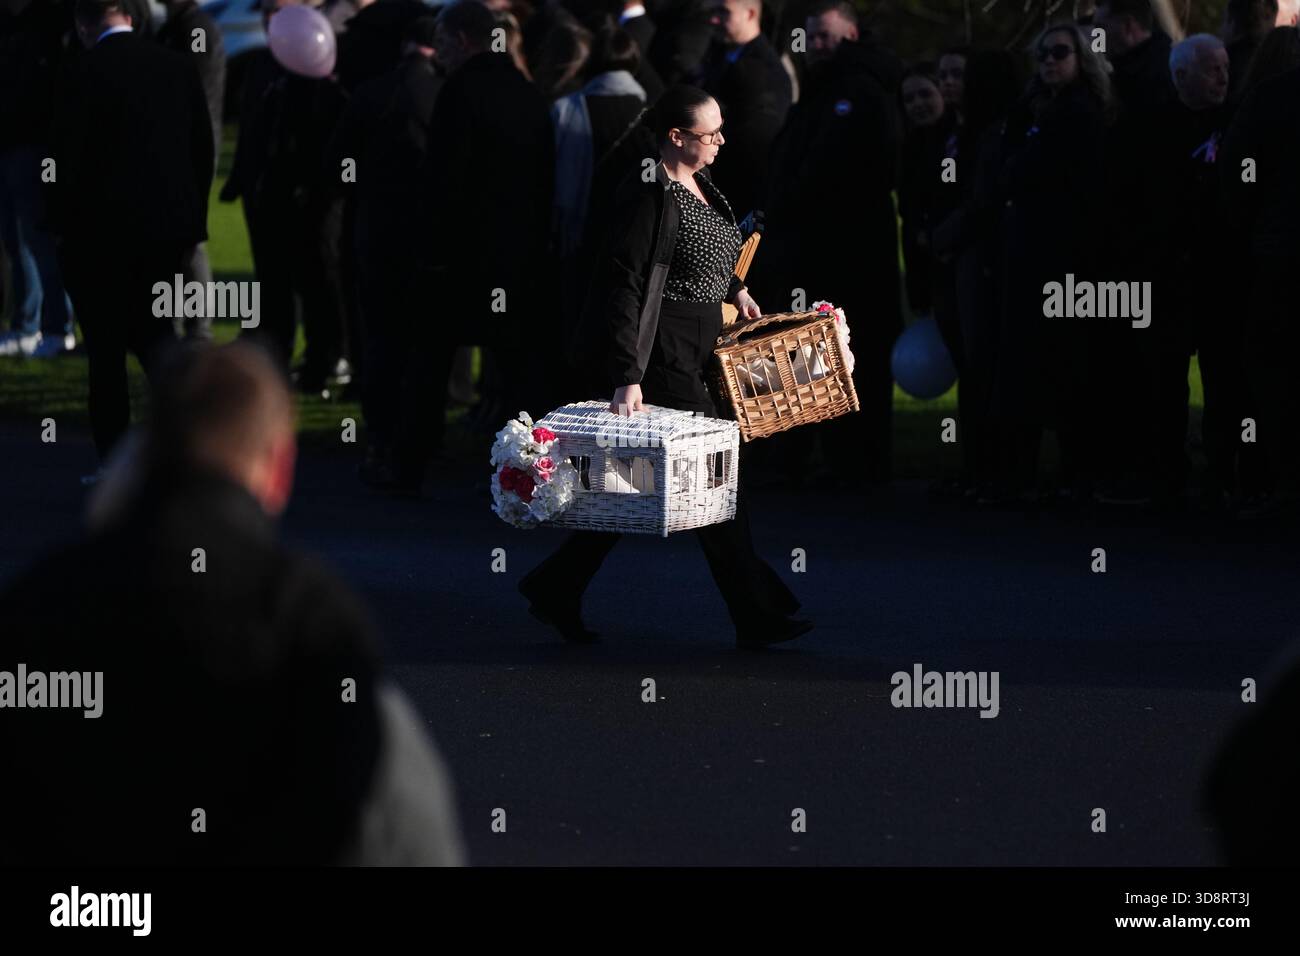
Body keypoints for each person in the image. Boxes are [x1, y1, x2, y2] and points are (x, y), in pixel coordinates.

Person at [0, 342, 465, 865]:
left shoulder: (43, 600)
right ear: (279, 469)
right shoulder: (311, 619)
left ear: (145, 453)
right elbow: (400, 830)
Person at [528, 84, 810, 649]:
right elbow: (625, 284)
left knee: (640, 482)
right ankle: (756, 612)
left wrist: (735, 286)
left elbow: (704, 249)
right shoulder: (648, 192)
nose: (723, 140)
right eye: (712, 133)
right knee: (714, 473)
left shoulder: (698, 183)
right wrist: (628, 374)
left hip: (700, 343)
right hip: (664, 352)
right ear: (676, 137)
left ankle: (557, 585)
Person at [49, 0, 214, 463]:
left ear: (83, 22)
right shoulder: (178, 69)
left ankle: (115, 459)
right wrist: (190, 220)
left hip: (97, 236)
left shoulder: (79, 71)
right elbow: (201, 151)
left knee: (105, 353)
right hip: (165, 233)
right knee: (156, 336)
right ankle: (192, 438)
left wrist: (58, 224)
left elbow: (62, 162)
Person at [758, 0, 902, 488]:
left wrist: (783, 205)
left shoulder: (856, 91)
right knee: (816, 353)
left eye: (826, 36)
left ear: (852, 35)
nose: (816, 45)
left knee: (846, 352)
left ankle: (856, 461)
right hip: (822, 247)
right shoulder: (824, 91)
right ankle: (829, 455)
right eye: (811, 36)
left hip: (848, 251)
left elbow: (828, 170)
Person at [990, 22, 1111, 503]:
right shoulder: (1042, 110)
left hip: (1063, 262)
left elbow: (1023, 172)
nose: (1049, 61)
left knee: (1060, 368)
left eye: (1060, 52)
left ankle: (1067, 473)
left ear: (1082, 57)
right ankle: (1043, 473)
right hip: (1038, 257)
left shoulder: (1079, 113)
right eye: (1042, 54)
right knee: (1038, 366)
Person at [328, 16, 443, 492]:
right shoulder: (445, 95)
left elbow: (338, 166)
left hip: (377, 235)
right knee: (425, 349)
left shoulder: (370, 92)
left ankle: (379, 442)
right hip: (430, 240)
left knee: (381, 344)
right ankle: (418, 447)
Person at [1219, 61, 1300, 520]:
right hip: (1279, 243)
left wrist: (1253, 224)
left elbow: (1237, 169)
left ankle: (1285, 476)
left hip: (1280, 251)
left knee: (1273, 366)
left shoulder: (1272, 96)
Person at [0, 0, 76, 359]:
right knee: (15, 241)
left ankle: (58, 327)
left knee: (41, 240)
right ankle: (26, 325)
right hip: (9, 143)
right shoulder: (11, 25)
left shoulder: (51, 22)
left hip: (36, 145)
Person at [156, 0, 227, 341]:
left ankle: (199, 330)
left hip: (189, 146)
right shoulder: (176, 27)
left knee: (188, 242)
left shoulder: (195, 28)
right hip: (178, 145)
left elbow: (192, 86)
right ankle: (175, 323)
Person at [694, 0, 791, 220]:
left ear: (750, 14)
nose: (714, 19)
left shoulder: (766, 73)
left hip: (736, 199)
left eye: (724, 12)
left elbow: (753, 145)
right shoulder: (718, 54)